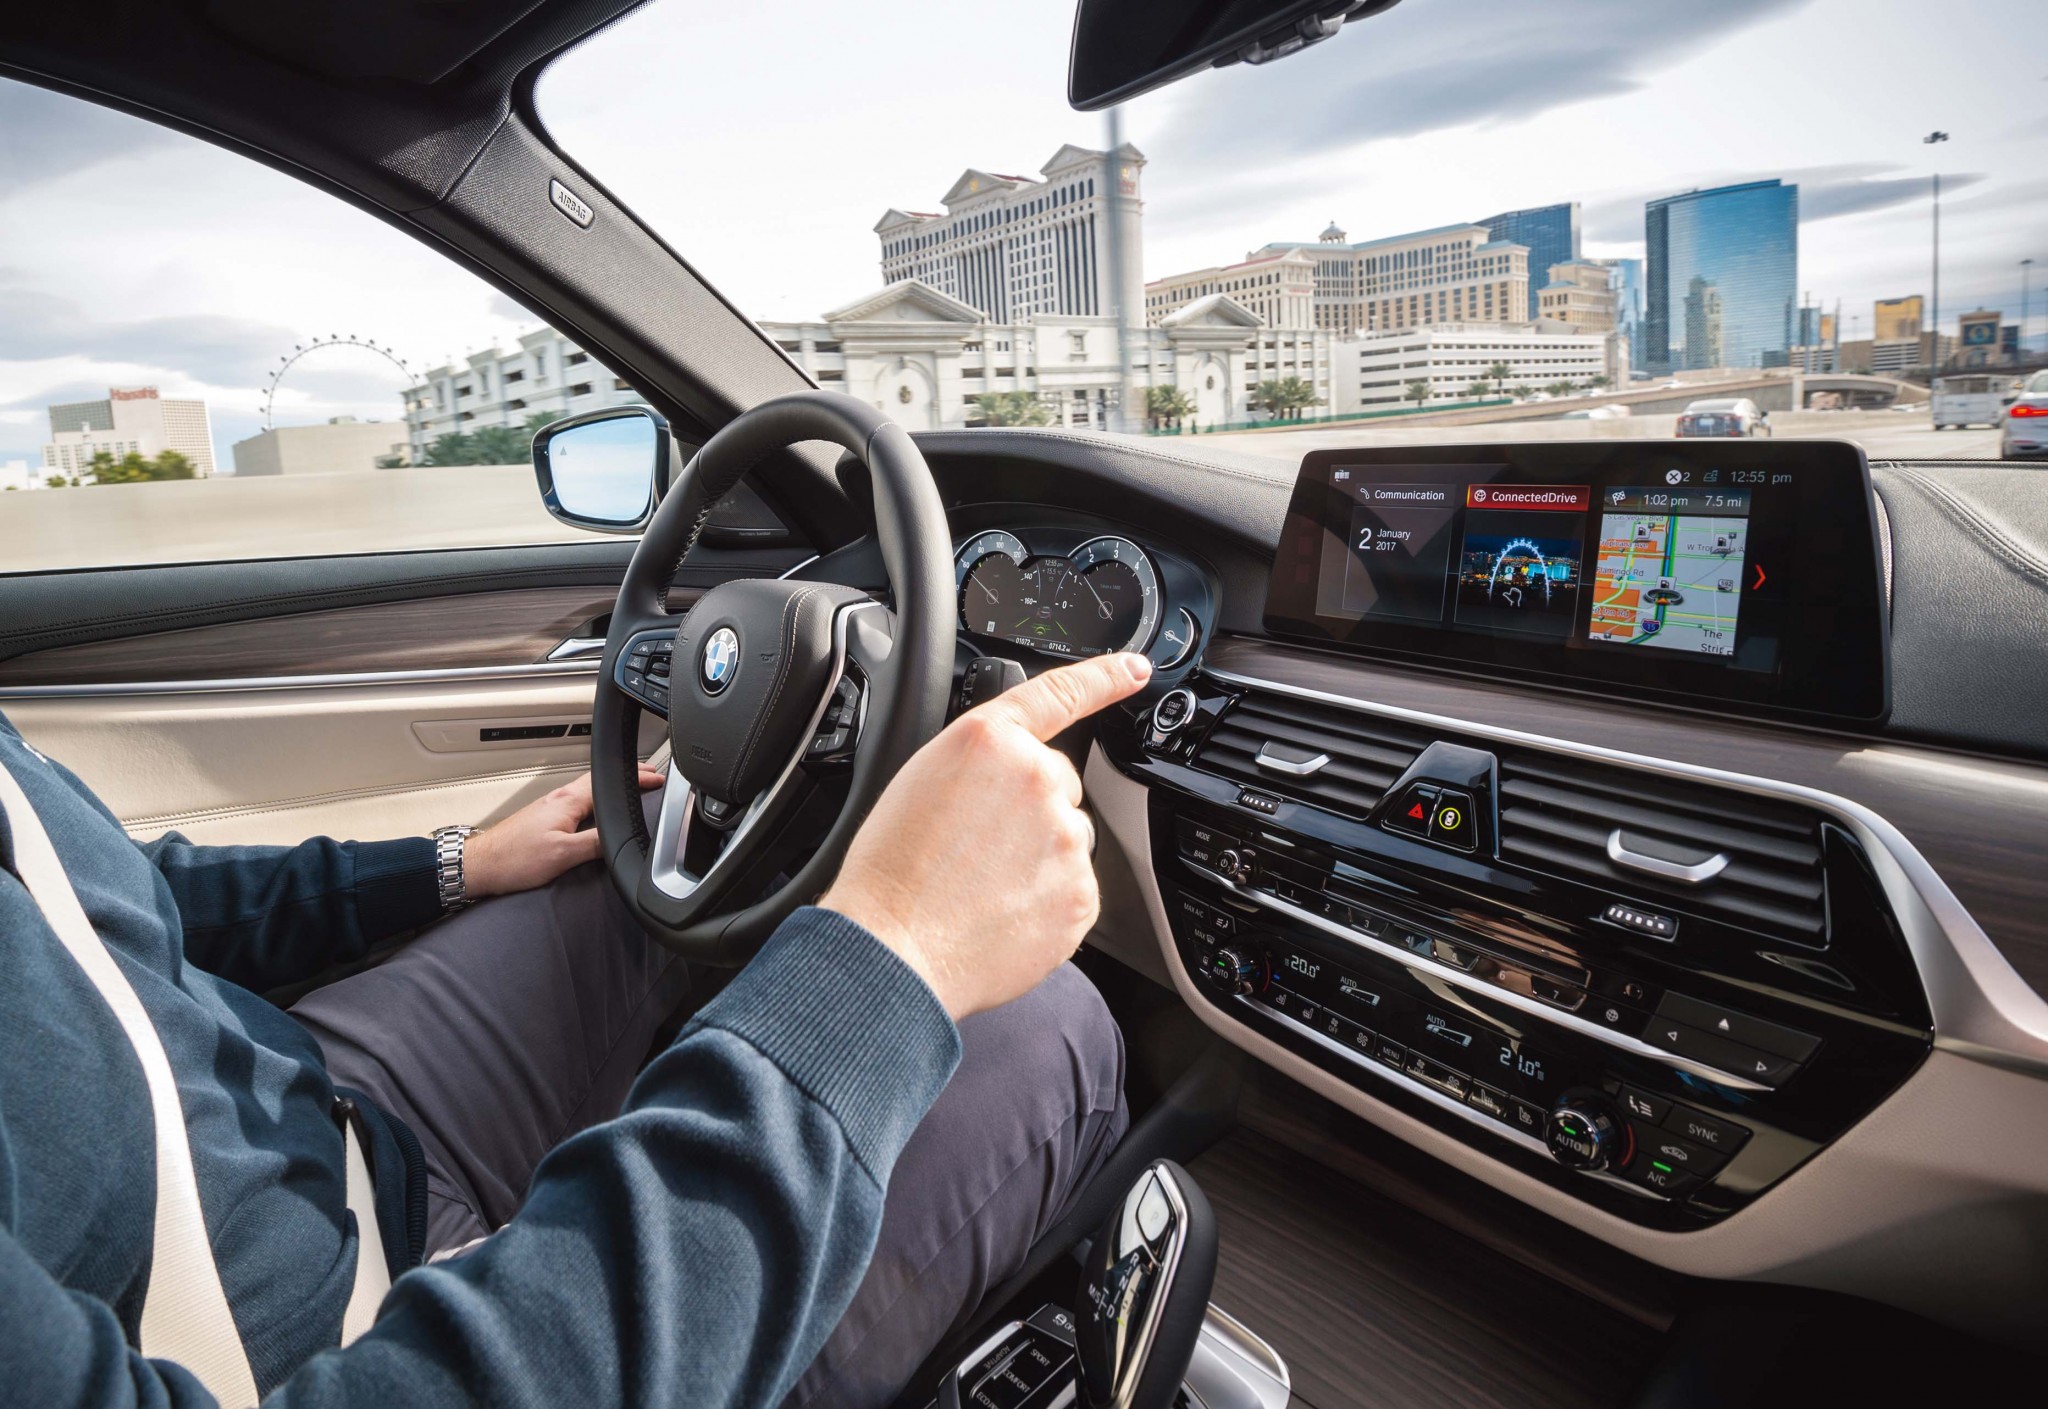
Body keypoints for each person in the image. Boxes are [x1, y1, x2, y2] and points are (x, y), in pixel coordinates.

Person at [0, 648, 1155, 1408]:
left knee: (642, 875)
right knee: (1044, 1025)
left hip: (288, 1093)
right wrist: (894, 948)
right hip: (318, 1337)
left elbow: (96, 885)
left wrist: (451, 863)